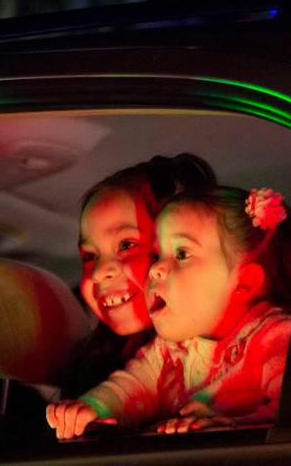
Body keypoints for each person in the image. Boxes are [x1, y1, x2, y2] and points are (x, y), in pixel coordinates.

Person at [47, 186, 291, 439]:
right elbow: (130, 389)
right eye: (158, 254)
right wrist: (90, 409)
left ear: (244, 282)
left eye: (181, 253)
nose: (155, 269)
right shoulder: (167, 349)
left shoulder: (274, 337)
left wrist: (232, 427)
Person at [60, 154, 216, 398]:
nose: (100, 272)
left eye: (126, 245)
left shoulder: (233, 355)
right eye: (90, 256)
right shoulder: (94, 378)